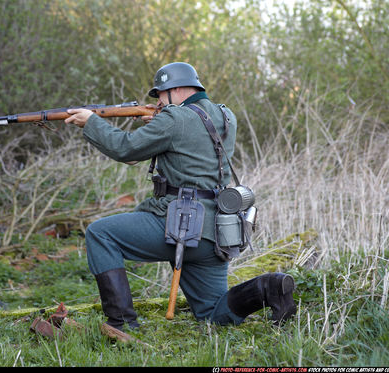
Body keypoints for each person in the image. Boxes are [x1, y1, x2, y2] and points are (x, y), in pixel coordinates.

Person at [65, 62, 296, 332]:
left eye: (161, 95)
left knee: (100, 234)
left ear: (175, 90)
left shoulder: (173, 119)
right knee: (212, 315)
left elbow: (125, 149)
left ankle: (122, 324)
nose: (159, 102)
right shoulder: (225, 115)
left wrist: (91, 122)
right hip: (217, 234)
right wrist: (160, 124)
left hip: (179, 227)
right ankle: (268, 287)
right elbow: (191, 139)